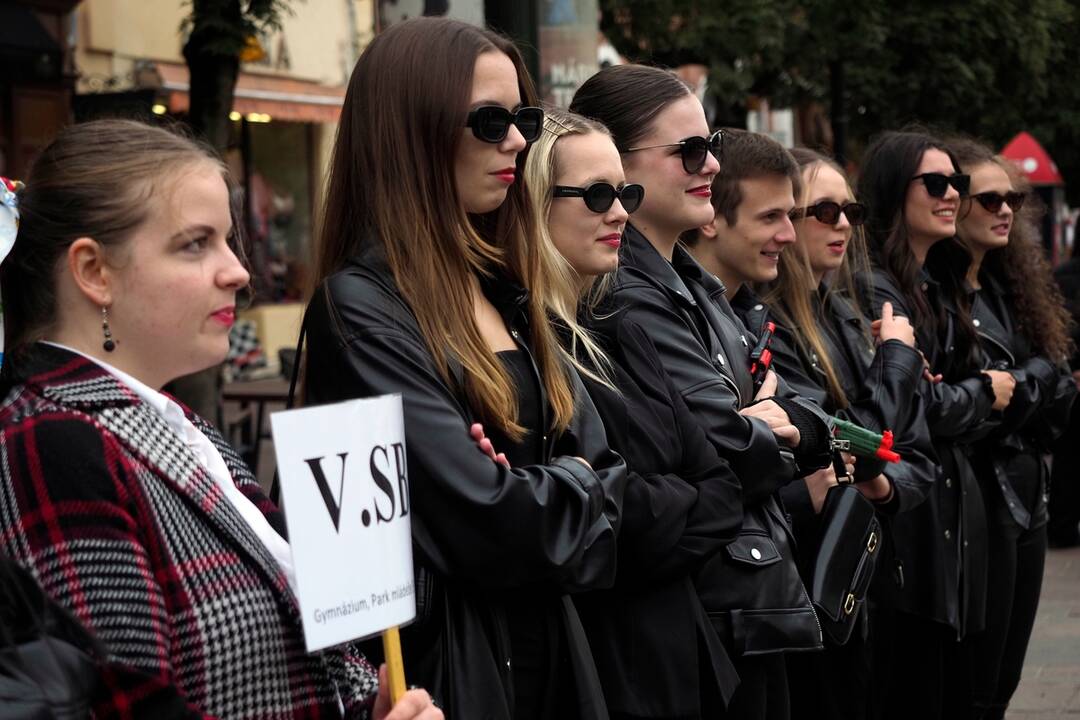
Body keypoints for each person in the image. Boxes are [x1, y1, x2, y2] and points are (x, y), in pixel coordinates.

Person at [0, 120, 440, 719]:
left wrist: (364, 704)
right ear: (94, 272)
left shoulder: (174, 421)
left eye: (230, 241)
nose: (237, 271)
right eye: (195, 244)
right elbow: (130, 705)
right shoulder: (52, 440)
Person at [301, 17, 627, 720]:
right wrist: (556, 489)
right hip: (448, 677)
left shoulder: (504, 287)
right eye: (489, 120)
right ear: (412, 130)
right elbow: (492, 525)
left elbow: (610, 493)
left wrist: (535, 488)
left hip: (553, 659)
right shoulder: (359, 308)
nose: (517, 140)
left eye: (522, 118)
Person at [571, 64, 834, 720]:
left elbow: (809, 408)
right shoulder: (624, 293)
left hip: (742, 592)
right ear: (613, 162)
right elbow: (727, 451)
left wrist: (786, 424)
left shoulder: (690, 282)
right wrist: (770, 432)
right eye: (688, 150)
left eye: (710, 143)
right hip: (707, 609)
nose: (711, 164)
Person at [523, 106, 745, 719]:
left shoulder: (615, 323)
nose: (621, 212)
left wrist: (652, 501)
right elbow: (604, 528)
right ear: (533, 203)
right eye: (597, 195)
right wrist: (666, 501)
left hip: (683, 658)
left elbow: (721, 490)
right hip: (606, 670)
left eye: (624, 193)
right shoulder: (526, 347)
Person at [752, 146, 937, 719]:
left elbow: (912, 452)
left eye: (850, 212)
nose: (841, 225)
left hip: (872, 560)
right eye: (823, 211)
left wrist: (882, 484)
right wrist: (898, 364)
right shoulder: (766, 323)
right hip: (817, 575)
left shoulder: (850, 312)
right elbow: (843, 441)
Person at [855, 130, 1000, 720]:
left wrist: (963, 391)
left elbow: (943, 395)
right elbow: (922, 409)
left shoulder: (934, 282)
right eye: (936, 184)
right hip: (907, 532)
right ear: (895, 192)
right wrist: (985, 392)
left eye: (957, 185)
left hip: (945, 515)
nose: (952, 197)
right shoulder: (875, 287)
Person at [947, 137, 1075, 719]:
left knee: (1005, 678)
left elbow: (1058, 382)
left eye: (1013, 200)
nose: (1005, 210)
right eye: (990, 197)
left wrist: (1020, 386)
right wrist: (1027, 385)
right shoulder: (936, 295)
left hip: (1029, 494)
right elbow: (964, 407)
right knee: (974, 679)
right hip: (977, 500)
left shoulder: (1014, 286)